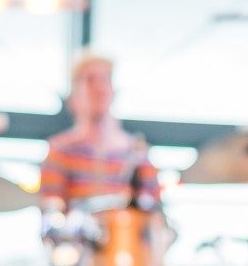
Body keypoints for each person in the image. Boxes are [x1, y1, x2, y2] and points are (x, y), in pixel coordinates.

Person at [38, 51, 158, 214]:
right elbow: (51, 212)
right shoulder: (60, 150)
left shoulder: (137, 151)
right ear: (73, 96)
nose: (99, 88)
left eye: (105, 79)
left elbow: (154, 212)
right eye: (90, 80)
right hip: (78, 238)